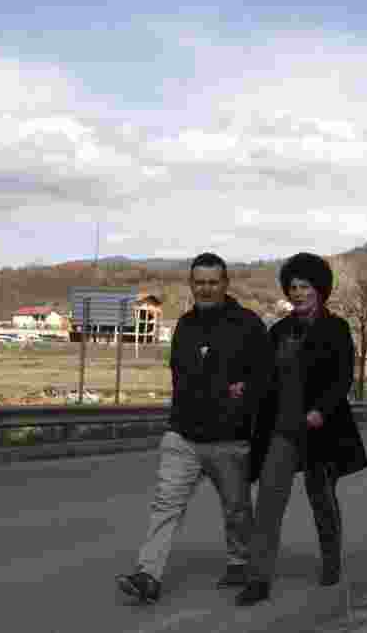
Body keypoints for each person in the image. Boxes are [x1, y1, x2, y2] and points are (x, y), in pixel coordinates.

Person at [116, 252, 270, 604]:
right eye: (199, 282)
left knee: (236, 508)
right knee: (165, 505)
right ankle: (148, 575)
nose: (206, 288)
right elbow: (180, 375)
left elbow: (263, 378)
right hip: (182, 435)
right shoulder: (185, 325)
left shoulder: (248, 324)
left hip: (230, 438)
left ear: (226, 284)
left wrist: (243, 399)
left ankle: (239, 560)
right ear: (191, 284)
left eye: (213, 282)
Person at [236, 252, 367, 606]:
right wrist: (245, 387)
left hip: (320, 430)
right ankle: (258, 579)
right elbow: (263, 376)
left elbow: (342, 377)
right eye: (293, 287)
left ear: (320, 290)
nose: (297, 293)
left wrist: (321, 411)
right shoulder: (278, 331)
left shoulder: (336, 328)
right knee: (267, 504)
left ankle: (330, 560)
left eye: (305, 286)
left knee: (321, 498)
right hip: (281, 429)